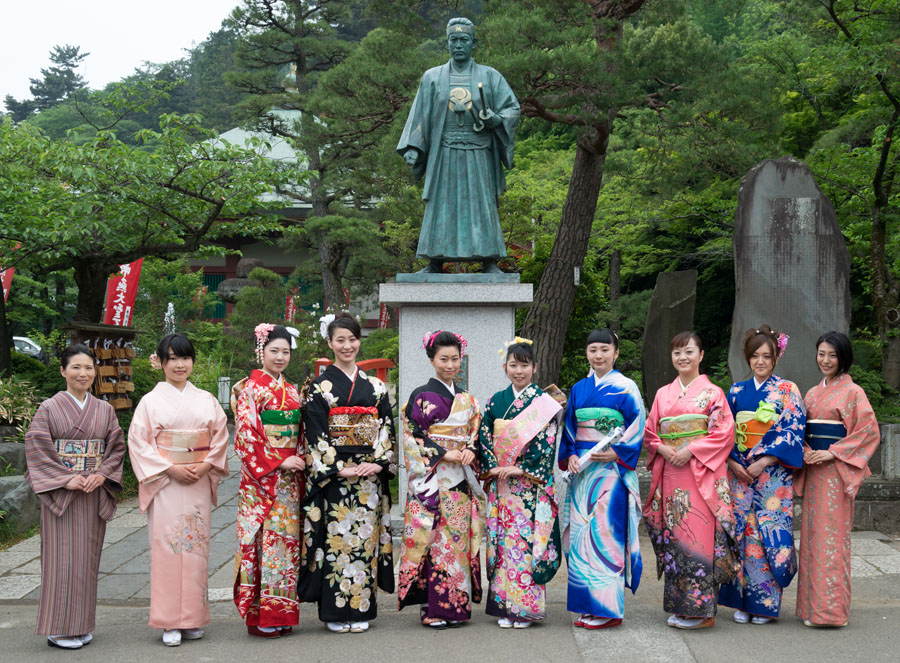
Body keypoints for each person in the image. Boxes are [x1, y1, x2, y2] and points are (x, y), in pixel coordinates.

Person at [128, 333, 229, 647]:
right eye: (172, 358)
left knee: (196, 549)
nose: (179, 364)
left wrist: (206, 464)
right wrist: (169, 467)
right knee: (168, 550)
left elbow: (220, 436)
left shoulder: (206, 400)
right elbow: (138, 442)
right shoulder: (150, 402)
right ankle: (169, 621)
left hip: (198, 479)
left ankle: (193, 618)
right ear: (160, 362)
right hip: (166, 482)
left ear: (192, 361)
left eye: (185, 358)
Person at [397, 16, 519, 273]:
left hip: (478, 153)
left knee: (481, 204)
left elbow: (512, 109)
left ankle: (489, 260)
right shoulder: (432, 77)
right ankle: (435, 260)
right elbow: (420, 115)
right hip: (444, 153)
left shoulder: (490, 76)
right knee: (441, 206)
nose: (459, 45)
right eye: (454, 40)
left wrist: (496, 119)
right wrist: (413, 148)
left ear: (474, 42)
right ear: (447, 43)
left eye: (464, 40)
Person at [299, 312, 396, 634]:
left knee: (364, 542)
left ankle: (361, 608)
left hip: (367, 477)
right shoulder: (318, 387)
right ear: (329, 343)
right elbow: (314, 430)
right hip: (336, 478)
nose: (347, 345)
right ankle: (335, 612)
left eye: (352, 339)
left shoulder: (377, 387)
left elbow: (385, 428)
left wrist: (378, 462)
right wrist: (339, 467)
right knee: (336, 541)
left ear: (359, 341)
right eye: (340, 340)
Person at [24, 344, 126, 650]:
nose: (83, 374)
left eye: (89, 368)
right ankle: (59, 628)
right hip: (63, 494)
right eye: (76, 368)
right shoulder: (49, 408)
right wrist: (66, 479)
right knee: (61, 561)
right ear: (63, 371)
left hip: (92, 491)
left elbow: (116, 446)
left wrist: (102, 473)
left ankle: (81, 624)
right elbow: (36, 448)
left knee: (87, 561)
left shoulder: (104, 410)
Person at [643, 332, 739, 630]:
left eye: (688, 352)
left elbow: (724, 433)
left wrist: (691, 449)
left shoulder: (713, 393)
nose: (682, 358)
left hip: (699, 475)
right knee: (677, 539)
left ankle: (702, 611)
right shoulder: (663, 393)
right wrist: (661, 447)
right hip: (671, 471)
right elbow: (650, 431)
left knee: (697, 539)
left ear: (701, 355)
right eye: (677, 353)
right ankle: (680, 606)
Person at [558, 329, 646, 630]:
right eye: (593, 349)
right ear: (587, 353)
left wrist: (618, 454)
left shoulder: (627, 387)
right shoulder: (579, 389)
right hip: (583, 471)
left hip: (610, 471)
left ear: (616, 353)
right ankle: (587, 605)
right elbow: (570, 427)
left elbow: (638, 426)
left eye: (605, 350)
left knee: (605, 536)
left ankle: (608, 609)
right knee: (583, 536)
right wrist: (569, 455)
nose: (599, 355)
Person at [718, 325, 805, 625]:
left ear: (776, 357)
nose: (760, 362)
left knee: (767, 536)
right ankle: (741, 602)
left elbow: (793, 430)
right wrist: (732, 462)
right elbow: (724, 433)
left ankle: (764, 605)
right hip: (741, 473)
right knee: (742, 534)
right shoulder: (737, 391)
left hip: (772, 477)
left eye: (767, 356)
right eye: (755, 356)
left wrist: (764, 459)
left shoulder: (787, 390)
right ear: (748, 358)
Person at [398, 330, 484, 627]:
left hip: (459, 480)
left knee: (457, 541)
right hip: (432, 480)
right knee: (434, 542)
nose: (450, 365)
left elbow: (475, 434)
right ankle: (434, 609)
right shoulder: (420, 396)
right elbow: (412, 437)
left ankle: (457, 608)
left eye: (455, 359)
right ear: (432, 359)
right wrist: (443, 454)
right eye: (443, 359)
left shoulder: (468, 399)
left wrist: (471, 450)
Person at [795, 331, 880, 628]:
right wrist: (805, 450)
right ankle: (812, 608)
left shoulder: (853, 392)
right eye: (821, 354)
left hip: (835, 472)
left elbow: (868, 432)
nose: (826, 360)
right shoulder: (811, 393)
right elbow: (801, 430)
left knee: (832, 541)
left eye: (832, 355)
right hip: (814, 470)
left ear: (843, 357)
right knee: (812, 540)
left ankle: (831, 613)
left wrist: (831, 454)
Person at [478, 337, 563, 629]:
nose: (519, 371)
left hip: (529, 486)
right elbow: (484, 438)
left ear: (535, 368)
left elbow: (546, 443)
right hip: (502, 483)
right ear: (505, 367)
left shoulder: (543, 404)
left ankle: (524, 608)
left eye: (524, 365)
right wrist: (494, 467)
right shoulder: (494, 401)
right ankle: (504, 605)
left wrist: (519, 467)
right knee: (503, 543)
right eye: (513, 365)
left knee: (527, 544)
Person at [233, 323, 305, 637]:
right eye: (274, 350)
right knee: (265, 544)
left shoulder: (291, 390)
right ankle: (262, 615)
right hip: (263, 480)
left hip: (290, 481)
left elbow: (301, 430)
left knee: (287, 544)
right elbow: (246, 435)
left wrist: (299, 455)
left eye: (285, 352)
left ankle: (283, 613)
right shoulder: (250, 388)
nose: (279, 357)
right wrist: (279, 460)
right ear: (261, 351)